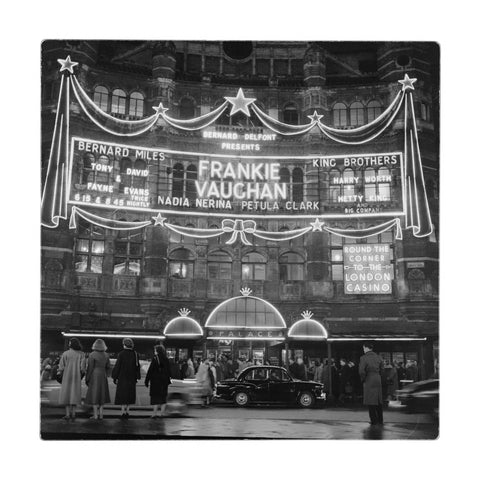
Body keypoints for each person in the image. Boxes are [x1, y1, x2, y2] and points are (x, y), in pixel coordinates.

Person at [112, 338, 141, 419]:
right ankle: (127, 412)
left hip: (122, 377)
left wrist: (115, 377)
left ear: (124, 344)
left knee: (122, 395)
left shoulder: (121, 354)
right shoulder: (135, 354)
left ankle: (123, 413)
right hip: (132, 378)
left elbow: (117, 366)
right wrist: (137, 377)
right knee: (129, 395)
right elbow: (137, 366)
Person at [58, 338, 86, 421]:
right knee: (74, 395)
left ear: (71, 344)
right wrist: (81, 375)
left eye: (69, 343)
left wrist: (60, 374)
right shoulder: (82, 354)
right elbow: (83, 368)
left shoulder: (66, 353)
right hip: (76, 377)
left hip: (67, 377)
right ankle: (73, 414)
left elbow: (61, 366)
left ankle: (67, 414)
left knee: (67, 395)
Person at [85, 339, 111, 420]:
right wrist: (107, 374)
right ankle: (101, 414)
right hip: (103, 375)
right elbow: (108, 367)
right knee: (102, 394)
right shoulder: (106, 355)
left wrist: (87, 378)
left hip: (94, 375)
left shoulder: (92, 354)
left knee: (94, 395)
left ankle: (95, 415)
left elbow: (90, 368)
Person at [359, 342, 384, 426]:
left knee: (370, 400)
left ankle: (374, 420)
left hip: (369, 378)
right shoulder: (379, 357)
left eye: (363, 348)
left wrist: (363, 379)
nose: (363, 350)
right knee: (378, 400)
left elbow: (361, 371)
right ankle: (380, 419)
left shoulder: (363, 358)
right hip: (378, 378)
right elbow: (382, 370)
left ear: (366, 348)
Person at [145, 344, 171, 418]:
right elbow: (168, 370)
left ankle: (154, 414)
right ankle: (162, 414)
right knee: (163, 398)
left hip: (156, 382)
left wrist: (147, 380)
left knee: (156, 398)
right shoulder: (166, 359)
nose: (154, 351)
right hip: (164, 382)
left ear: (157, 351)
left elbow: (150, 370)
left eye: (155, 350)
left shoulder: (155, 359)